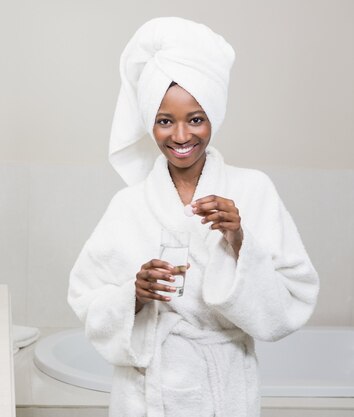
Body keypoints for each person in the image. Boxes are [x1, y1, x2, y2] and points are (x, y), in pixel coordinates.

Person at [67, 17, 319, 417]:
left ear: (213, 117)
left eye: (195, 119)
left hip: (226, 388)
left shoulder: (253, 190)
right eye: (165, 121)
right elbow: (86, 297)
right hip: (146, 392)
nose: (181, 136)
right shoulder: (128, 205)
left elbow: (294, 299)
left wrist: (239, 239)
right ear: (150, 122)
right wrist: (133, 294)